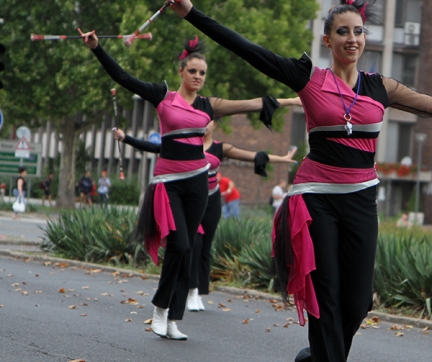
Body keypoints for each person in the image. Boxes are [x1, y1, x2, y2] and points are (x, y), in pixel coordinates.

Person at [161, 0, 432, 362]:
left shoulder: (380, 87)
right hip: (316, 201)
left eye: (359, 31)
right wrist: (192, 13)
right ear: (327, 40)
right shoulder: (309, 79)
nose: (353, 39)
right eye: (343, 32)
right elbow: (248, 49)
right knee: (326, 293)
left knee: (358, 301)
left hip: (362, 200)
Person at [78, 29, 299, 341]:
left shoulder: (209, 106)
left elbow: (250, 103)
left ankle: (172, 319)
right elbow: (124, 78)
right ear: (181, 71)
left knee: (189, 251)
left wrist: (293, 98)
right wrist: (97, 49)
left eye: (203, 73)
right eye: (193, 71)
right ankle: (159, 309)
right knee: (179, 245)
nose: (198, 77)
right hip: (168, 183)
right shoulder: (163, 96)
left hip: (198, 183)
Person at [114, 122, 297, 312]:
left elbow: (252, 156)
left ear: (214, 124)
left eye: (208, 121)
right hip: (191, 200)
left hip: (212, 201)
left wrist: (283, 159)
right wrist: (126, 138)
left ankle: (199, 292)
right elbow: (154, 146)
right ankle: (191, 289)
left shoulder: (220, 148)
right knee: (194, 243)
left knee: (205, 247)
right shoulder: (185, 144)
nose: (204, 125)